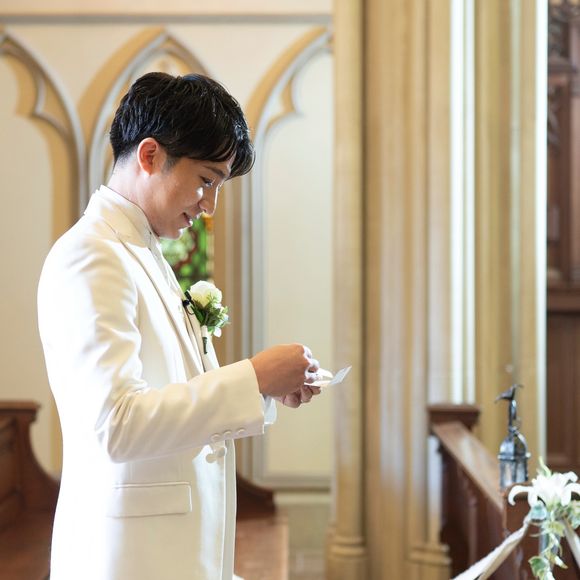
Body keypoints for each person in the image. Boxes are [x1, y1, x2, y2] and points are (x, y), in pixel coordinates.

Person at [37, 72, 321, 580]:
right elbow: (116, 425)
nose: (209, 206)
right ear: (150, 155)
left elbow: (171, 393)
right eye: (206, 181)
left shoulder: (141, 250)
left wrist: (265, 389)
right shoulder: (92, 255)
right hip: (128, 561)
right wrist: (253, 376)